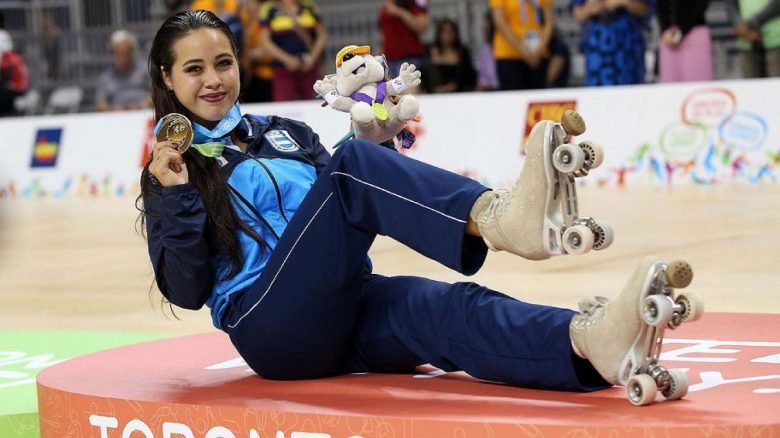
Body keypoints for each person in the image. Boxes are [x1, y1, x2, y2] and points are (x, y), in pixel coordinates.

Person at [138, 10, 694, 395]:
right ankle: (503, 220)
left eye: (224, 63)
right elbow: (185, 291)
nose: (214, 80)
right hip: (272, 328)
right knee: (351, 169)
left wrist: (374, 144)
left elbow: (331, 210)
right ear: (167, 77)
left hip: (344, 298)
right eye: (194, 69)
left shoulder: (281, 131)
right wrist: (178, 195)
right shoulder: (171, 169)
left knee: (450, 308)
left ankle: (590, 344)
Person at [572, 0, 651, 86]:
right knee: (597, 90)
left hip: (627, 41)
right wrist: (592, 8)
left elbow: (645, 10)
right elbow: (578, 14)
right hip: (598, 42)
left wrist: (623, 2)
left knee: (631, 87)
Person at [490, 0, 554, 90]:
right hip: (509, 54)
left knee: (536, 98)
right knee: (513, 98)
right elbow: (500, 22)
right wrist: (524, 51)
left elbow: (549, 22)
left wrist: (539, 50)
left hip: (538, 54)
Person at [656, 0, 713, 83]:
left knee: (697, 84)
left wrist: (681, 32)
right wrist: (664, 30)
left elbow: (699, 5)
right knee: (669, 87)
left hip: (694, 33)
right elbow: (660, 6)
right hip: (668, 36)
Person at [95, 30, 151, 111]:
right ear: (112, 54)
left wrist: (143, 105)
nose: (123, 57)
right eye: (119, 53)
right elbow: (100, 104)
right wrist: (115, 109)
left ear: (132, 52)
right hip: (117, 119)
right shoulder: (106, 77)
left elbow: (158, 94)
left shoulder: (146, 70)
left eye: (126, 53)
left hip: (145, 114)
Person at [379, 0, 429, 77]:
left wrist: (401, 12)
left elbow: (422, 27)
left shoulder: (413, 4)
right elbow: (386, 34)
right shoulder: (387, 5)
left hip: (408, 57)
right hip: (389, 59)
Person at [425, 18, 477, 93]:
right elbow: (426, 76)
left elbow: (469, 75)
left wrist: (454, 86)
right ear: (439, 34)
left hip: (459, 92)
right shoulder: (430, 51)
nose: (447, 36)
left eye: (450, 32)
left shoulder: (462, 52)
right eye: (444, 32)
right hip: (435, 93)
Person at [731, 0, 780, 78]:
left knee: (776, 86)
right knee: (750, 87)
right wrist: (739, 25)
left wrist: (750, 23)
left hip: (776, 40)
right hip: (747, 41)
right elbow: (730, 4)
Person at [0, 21, 29, 117]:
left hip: (15, 87)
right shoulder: (13, 57)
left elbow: (8, 73)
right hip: (14, 86)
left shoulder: (10, 57)